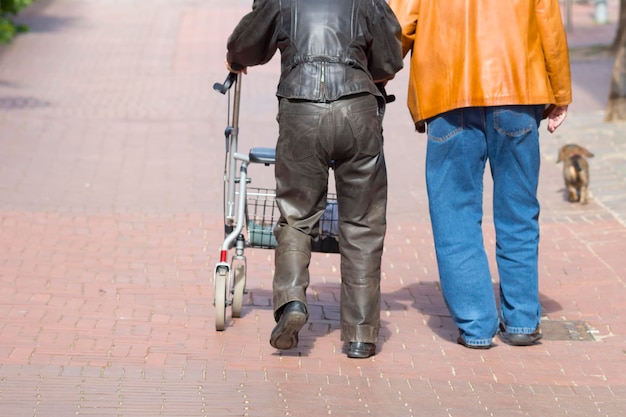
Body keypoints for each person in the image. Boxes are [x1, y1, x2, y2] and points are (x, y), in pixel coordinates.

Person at [388, 0, 572, 348]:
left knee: (454, 211)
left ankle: (475, 325)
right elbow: (549, 23)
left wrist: (375, 75)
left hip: (449, 94)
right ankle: (521, 321)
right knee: (518, 210)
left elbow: (398, 25)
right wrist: (560, 93)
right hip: (517, 91)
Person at [225, 0, 403, 358]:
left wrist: (234, 60)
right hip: (357, 107)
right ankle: (360, 335)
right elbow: (389, 60)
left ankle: (291, 301)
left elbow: (245, 44)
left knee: (296, 216)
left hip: (301, 107)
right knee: (363, 224)